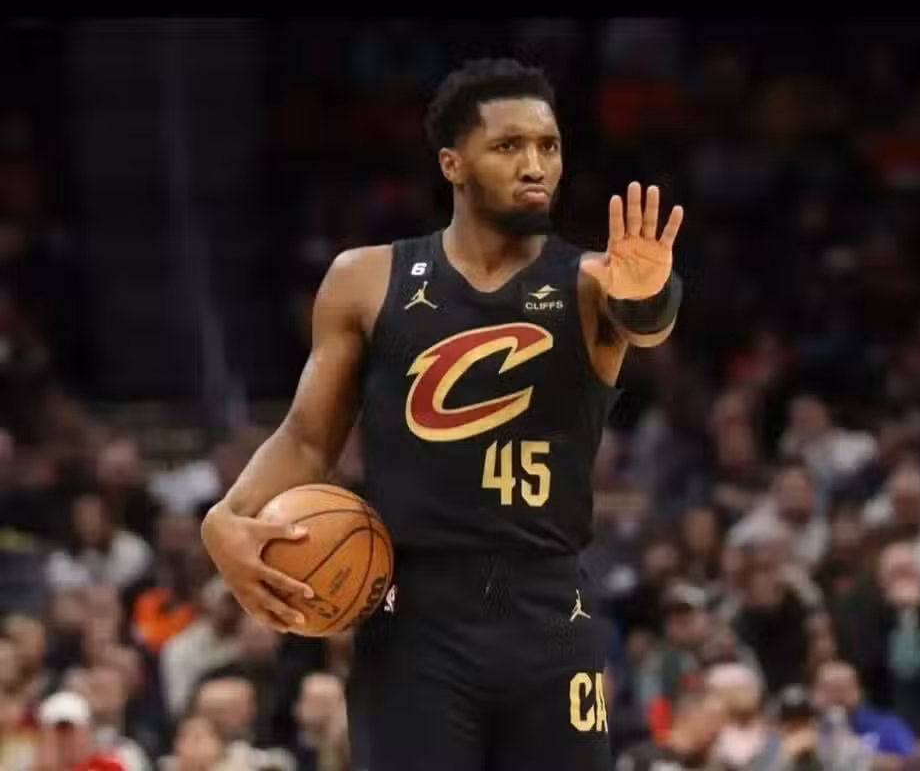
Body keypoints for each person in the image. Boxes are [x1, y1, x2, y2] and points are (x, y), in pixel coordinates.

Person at [199, 57, 685, 771]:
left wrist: (649, 292)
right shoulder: (366, 279)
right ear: (452, 163)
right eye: (509, 145)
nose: (535, 166)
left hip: (551, 613)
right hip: (414, 620)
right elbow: (307, 436)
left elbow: (647, 321)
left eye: (548, 146)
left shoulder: (591, 282)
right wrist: (227, 516)